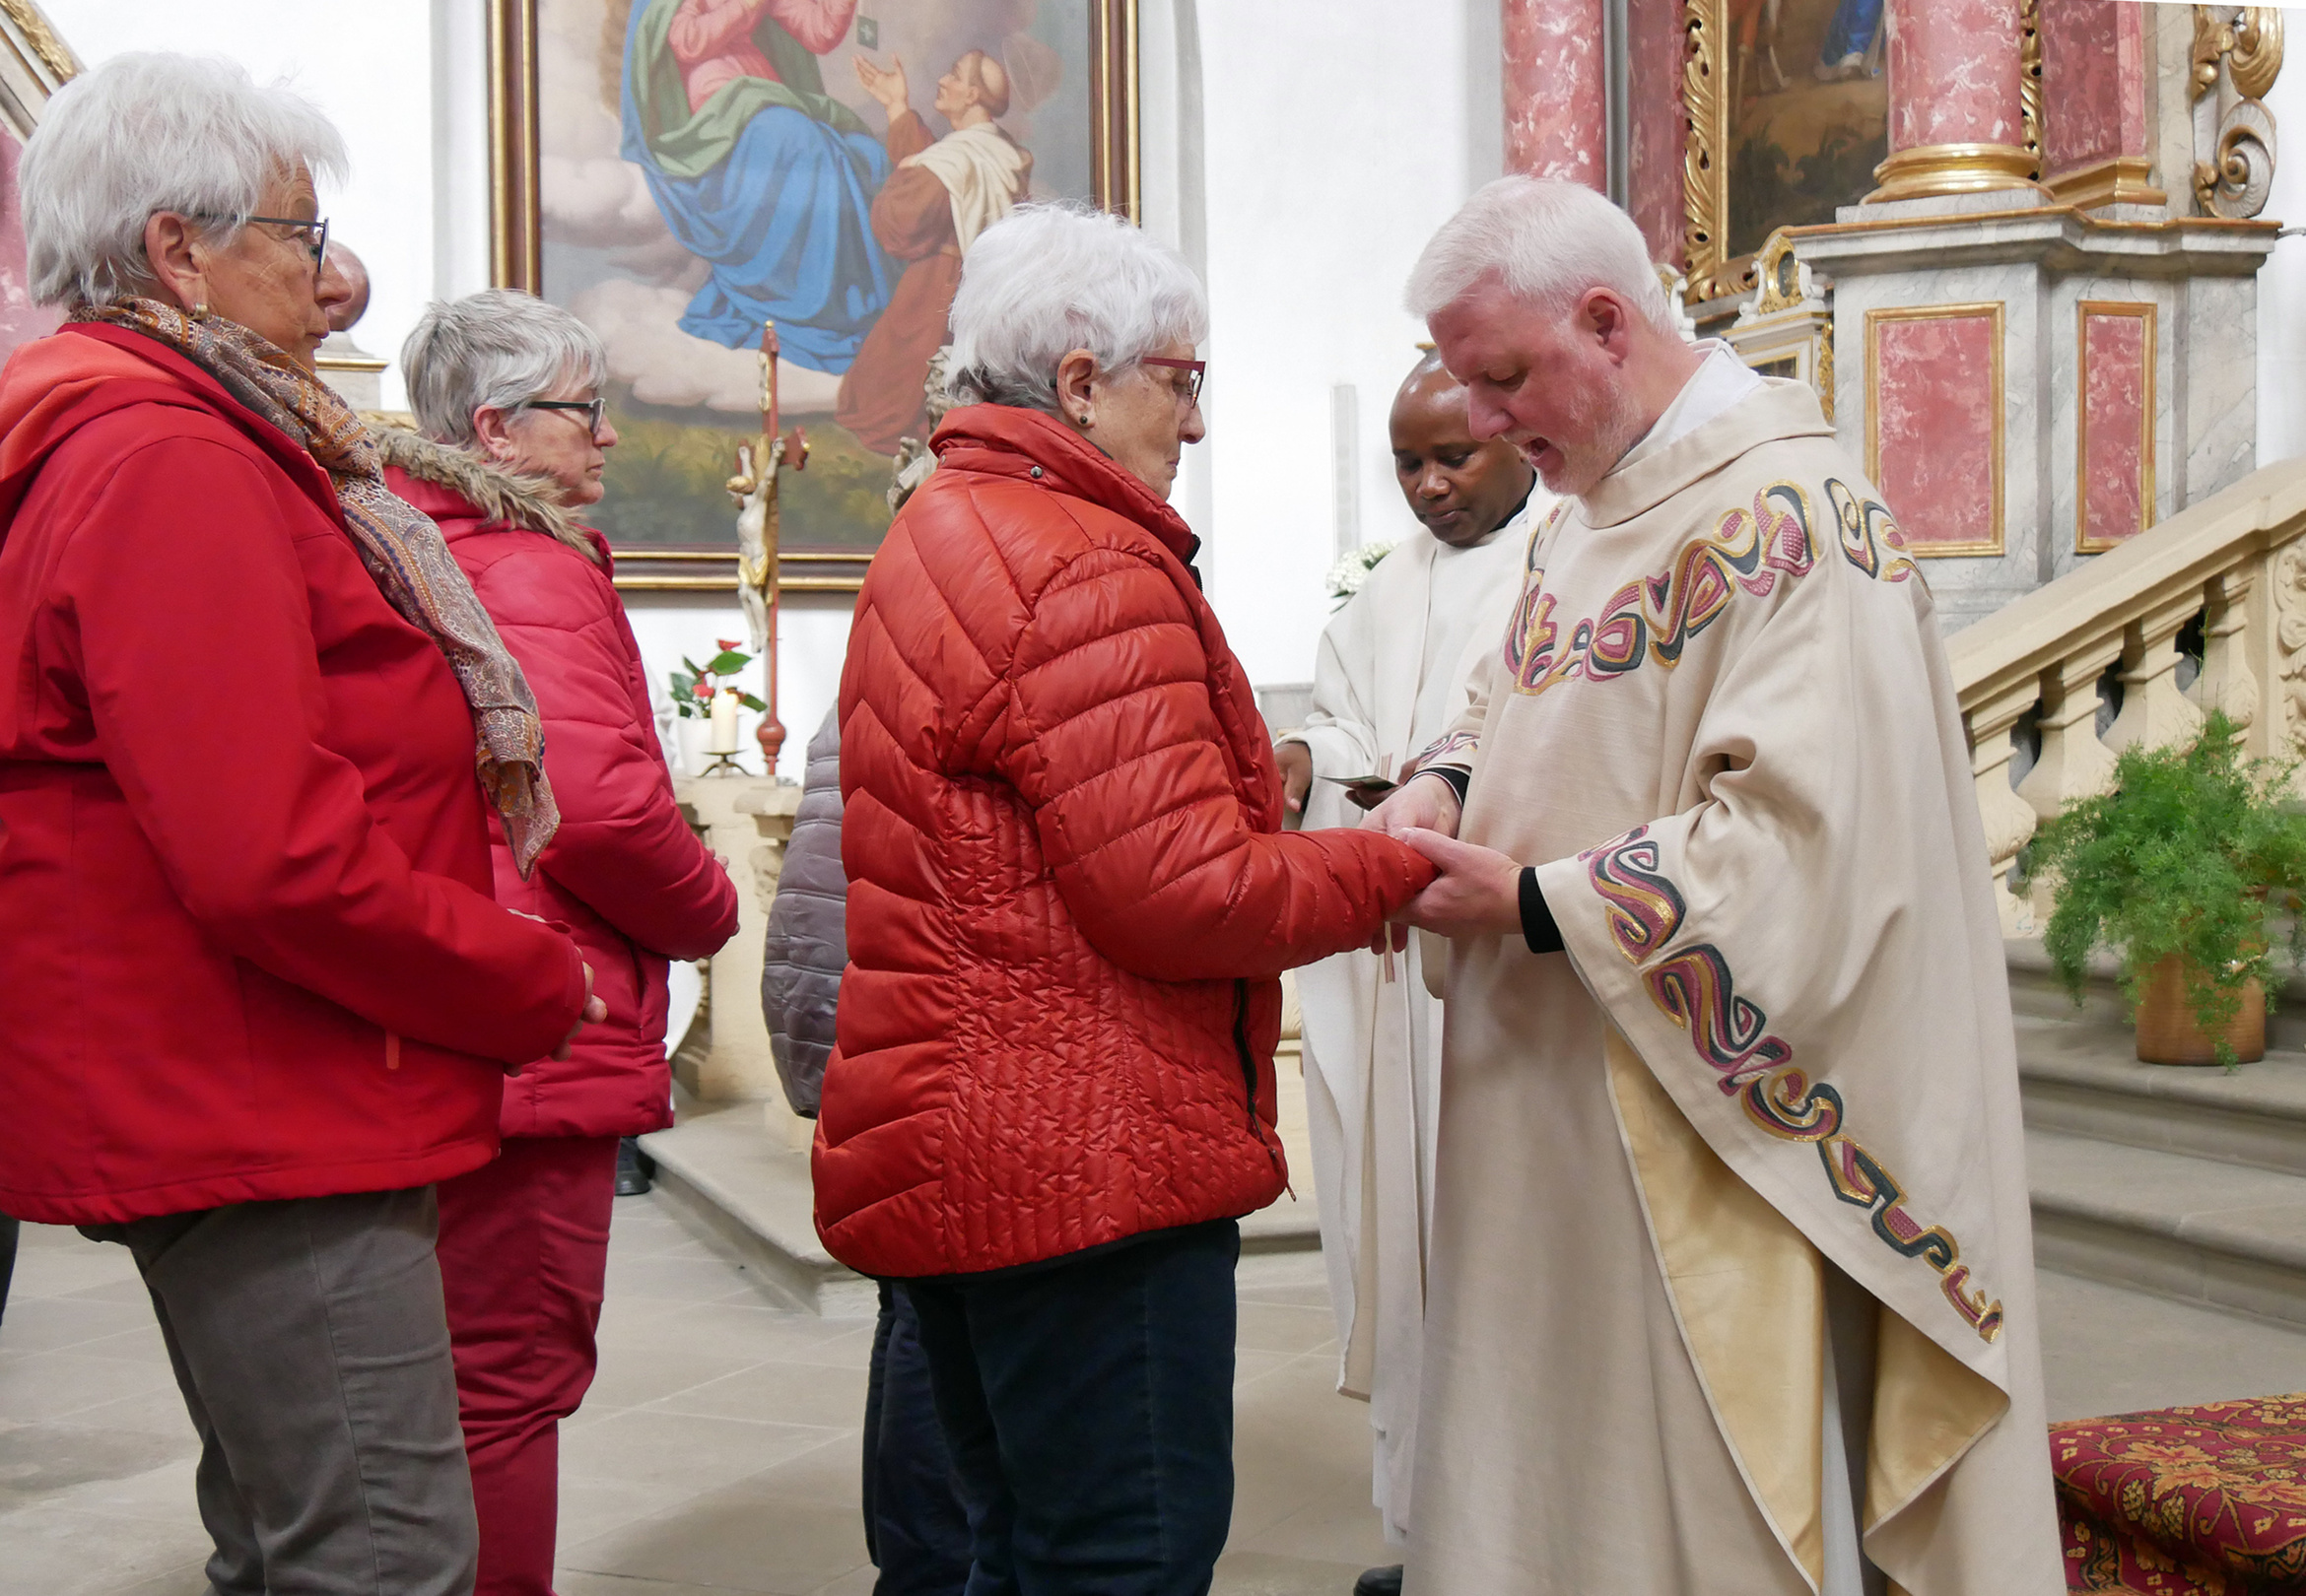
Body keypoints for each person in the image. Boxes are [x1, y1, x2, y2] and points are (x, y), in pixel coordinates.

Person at [1362, 176, 2063, 1594]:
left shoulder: (1799, 520)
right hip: (1543, 1099)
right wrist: (1444, 776)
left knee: (1678, 1491)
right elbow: (1516, 699)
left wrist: (1539, 903)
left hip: (1697, 1121)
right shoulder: (1587, 513)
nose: (1487, 425)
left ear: (1608, 324)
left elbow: (1807, 845)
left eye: (1505, 378)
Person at [0, 52, 602, 1596]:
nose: (329, 277)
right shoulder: (170, 456)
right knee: (379, 1555)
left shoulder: (174, 427)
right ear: (174, 251)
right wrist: (523, 978)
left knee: (290, 1534)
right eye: (295, 228)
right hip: (263, 1087)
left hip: (243, 1073)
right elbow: (269, 851)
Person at [815, 203, 1437, 1595]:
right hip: (1085, 1165)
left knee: (1008, 1548)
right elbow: (1184, 894)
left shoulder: (947, 519)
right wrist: (1397, 862)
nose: (1198, 420)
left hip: (964, 1140)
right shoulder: (1083, 559)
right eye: (1182, 376)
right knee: (1118, 1559)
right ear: (1082, 381)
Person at [390, 288, 743, 1596]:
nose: (607, 438)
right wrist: (710, 909)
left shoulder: (411, 540)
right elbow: (590, 814)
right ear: (495, 429)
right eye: (584, 413)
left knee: (430, 1380)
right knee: (507, 1379)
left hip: (447, 1006)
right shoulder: (526, 564)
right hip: (535, 1026)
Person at [1272, 351, 1538, 1590]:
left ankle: (1513, 1521)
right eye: (1407, 466)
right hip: (1383, 968)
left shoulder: (1567, 568)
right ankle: (1417, 1525)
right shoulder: (1380, 595)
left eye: (1452, 458)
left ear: (1514, 437)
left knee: (1495, 1243)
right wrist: (1308, 762)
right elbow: (1339, 725)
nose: (1428, 489)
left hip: (1485, 969)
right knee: (1393, 1233)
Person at [765, 706, 971, 1596]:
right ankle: (933, 1568)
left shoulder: (889, 637)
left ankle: (916, 1562)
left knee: (916, 1317)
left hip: (870, 1033)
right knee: (939, 1329)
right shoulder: (970, 642)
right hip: (937, 1048)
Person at [625, 0, 893, 365]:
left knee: (867, 154)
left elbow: (820, 32)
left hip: (766, 96)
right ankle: (808, 302)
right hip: (720, 104)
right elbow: (688, 40)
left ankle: (850, 299)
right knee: (804, 143)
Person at [837, 49, 1031, 454]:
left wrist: (903, 178)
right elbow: (946, 181)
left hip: (938, 288)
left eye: (955, 75)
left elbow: (905, 218)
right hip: (971, 288)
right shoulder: (993, 151)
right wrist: (896, 107)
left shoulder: (962, 158)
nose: (943, 80)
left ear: (973, 94)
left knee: (887, 390)